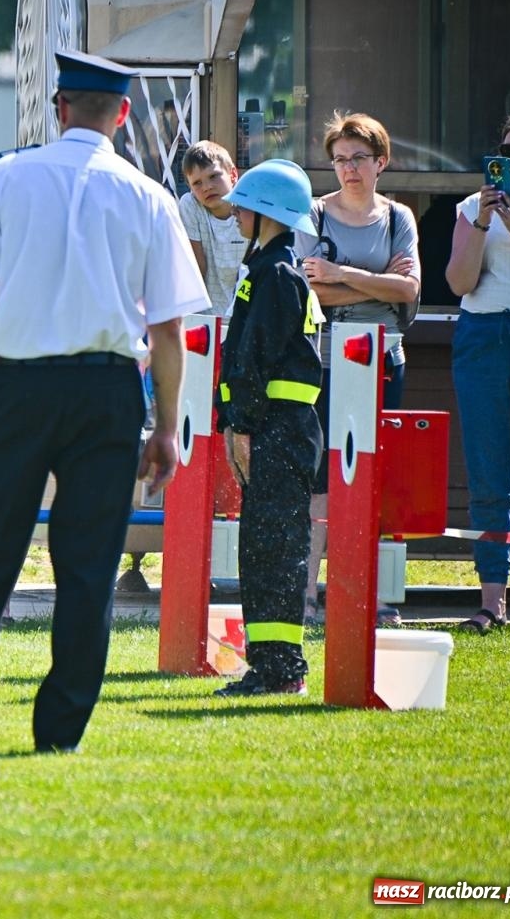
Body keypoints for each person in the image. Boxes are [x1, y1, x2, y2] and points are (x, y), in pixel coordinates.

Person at [0, 51, 209, 753]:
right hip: (107, 392)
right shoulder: (150, 196)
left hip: (19, 387)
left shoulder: (8, 176)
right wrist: (165, 425)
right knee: (89, 566)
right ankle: (59, 734)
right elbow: (167, 328)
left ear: (59, 106)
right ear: (122, 115)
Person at [293, 112, 419, 626]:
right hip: (321, 359)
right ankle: (304, 595)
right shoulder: (313, 215)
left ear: (381, 162)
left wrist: (342, 273)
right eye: (340, 159)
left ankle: (363, 592)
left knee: (369, 474)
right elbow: (308, 288)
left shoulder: (398, 219)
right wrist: (375, 282)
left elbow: (409, 291)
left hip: (383, 360)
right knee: (320, 480)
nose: (348, 169)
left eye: (359, 159)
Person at [214, 160, 324, 697]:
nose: (233, 212)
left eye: (244, 205)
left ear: (267, 215)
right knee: (265, 549)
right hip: (280, 430)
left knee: (274, 552)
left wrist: (241, 424)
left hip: (276, 430)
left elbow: (253, 358)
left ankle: (281, 670)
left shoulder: (275, 275)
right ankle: (270, 665)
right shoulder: (273, 269)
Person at [443, 106, 510, 634]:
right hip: (481, 336)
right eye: (509, 153)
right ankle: (491, 600)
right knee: (488, 474)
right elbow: (459, 283)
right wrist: (483, 220)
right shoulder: (469, 208)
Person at [178, 140, 246, 317]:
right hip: (206, 318)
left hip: (247, 317)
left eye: (214, 176)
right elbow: (196, 268)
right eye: (197, 183)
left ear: (233, 175)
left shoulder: (250, 206)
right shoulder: (190, 205)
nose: (207, 187)